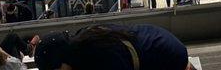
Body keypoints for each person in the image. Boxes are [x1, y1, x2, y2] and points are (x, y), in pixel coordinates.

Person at [35, 24, 192, 70]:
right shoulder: (81, 41)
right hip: (157, 36)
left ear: (61, 61)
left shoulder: (96, 56)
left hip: (167, 54)